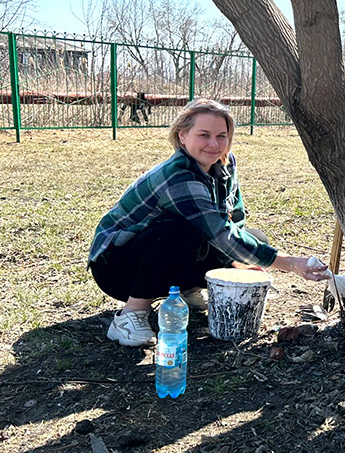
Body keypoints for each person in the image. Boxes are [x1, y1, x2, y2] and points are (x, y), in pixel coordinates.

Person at [88, 98, 330, 347]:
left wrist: (237, 262)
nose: (214, 144)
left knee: (256, 240)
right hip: (116, 268)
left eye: (221, 136)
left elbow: (234, 217)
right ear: (183, 136)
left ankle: (188, 289)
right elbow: (219, 233)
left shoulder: (224, 162)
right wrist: (290, 263)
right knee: (184, 233)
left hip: (162, 253)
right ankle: (131, 315)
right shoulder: (178, 176)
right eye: (204, 135)